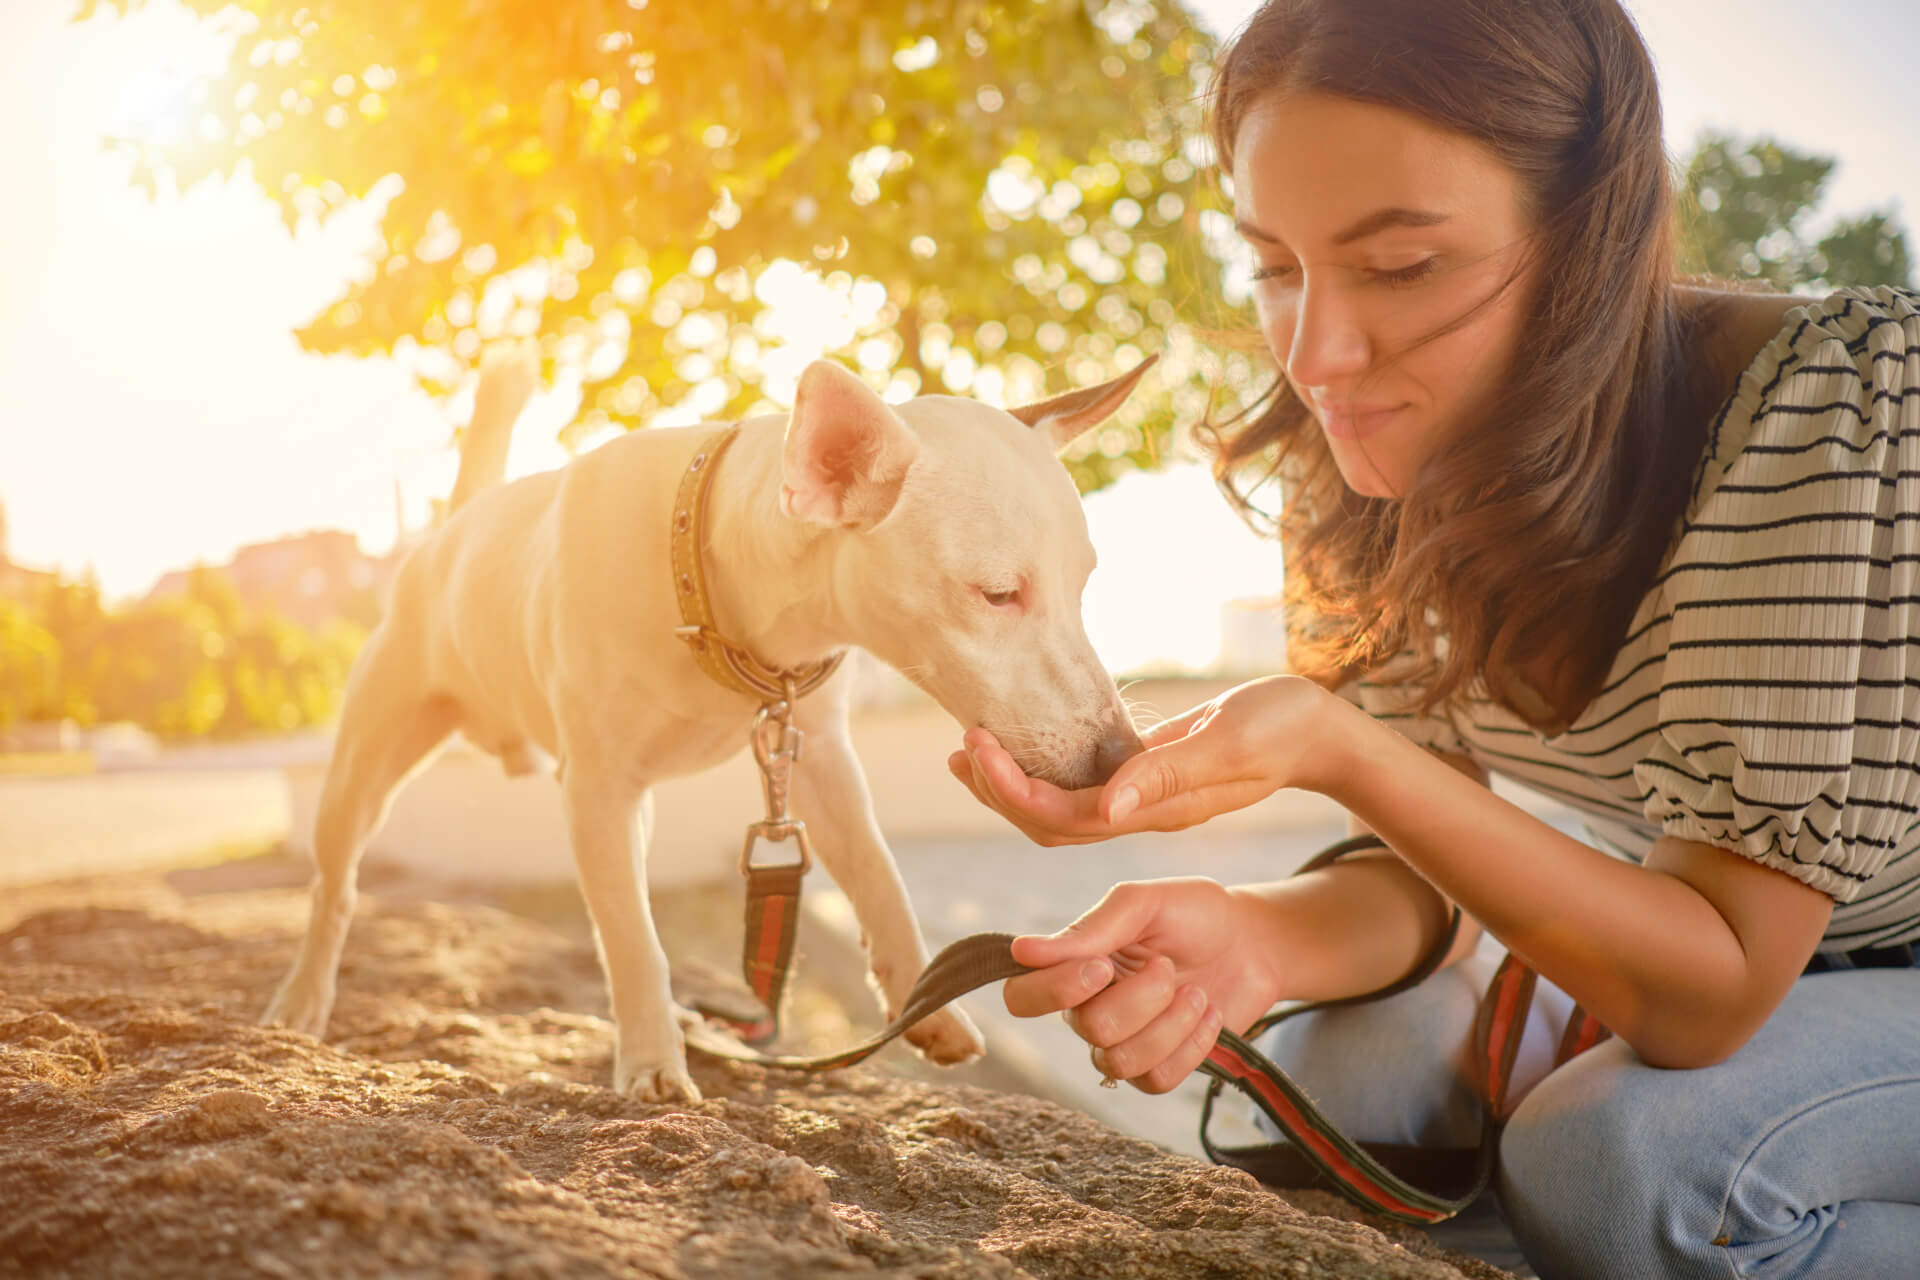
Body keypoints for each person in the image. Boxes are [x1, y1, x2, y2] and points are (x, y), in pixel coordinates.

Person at [946, 1, 1920, 1275]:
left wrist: (1336, 747)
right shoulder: (1351, 451)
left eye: (1402, 267)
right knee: (1348, 1064)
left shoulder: (1825, 410)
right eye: (1278, 266)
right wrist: (1256, 937)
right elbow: (1431, 870)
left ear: (1592, 237)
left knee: (1627, 1159)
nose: (1319, 357)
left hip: (1817, 969)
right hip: (1767, 974)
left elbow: (1711, 988)